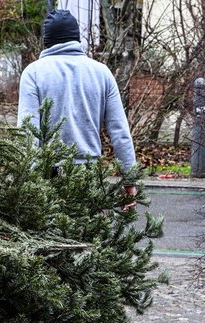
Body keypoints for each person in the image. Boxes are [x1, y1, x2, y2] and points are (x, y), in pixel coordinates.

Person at [17, 9, 137, 208]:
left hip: (51, 172)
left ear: (47, 40)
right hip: (89, 172)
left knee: (53, 234)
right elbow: (120, 132)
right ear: (76, 38)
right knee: (90, 234)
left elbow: (27, 133)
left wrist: (26, 183)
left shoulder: (34, 73)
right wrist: (130, 180)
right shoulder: (102, 73)